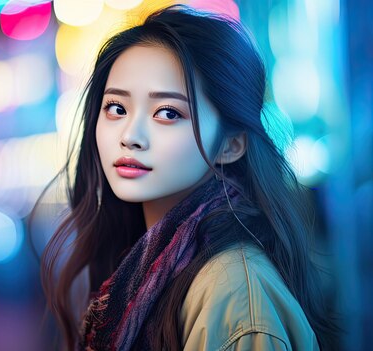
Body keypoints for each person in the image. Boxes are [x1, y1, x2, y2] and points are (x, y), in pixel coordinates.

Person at [34, 4, 342, 351]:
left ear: (231, 144)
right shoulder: (146, 261)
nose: (130, 135)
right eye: (117, 108)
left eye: (167, 112)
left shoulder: (234, 294)